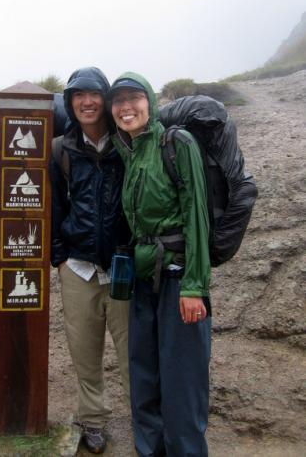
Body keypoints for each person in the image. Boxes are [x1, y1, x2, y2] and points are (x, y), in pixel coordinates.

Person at [109, 72, 212, 457]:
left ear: (149, 103)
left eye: (134, 98)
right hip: (141, 280)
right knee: (145, 377)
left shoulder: (176, 143)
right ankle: (148, 451)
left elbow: (196, 216)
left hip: (176, 278)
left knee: (182, 380)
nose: (125, 107)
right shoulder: (129, 151)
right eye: (118, 101)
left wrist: (194, 286)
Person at [49, 67, 130, 454]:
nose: (86, 101)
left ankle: (144, 418)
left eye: (94, 93)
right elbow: (53, 204)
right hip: (77, 267)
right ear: (69, 101)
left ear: (106, 98)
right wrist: (59, 258)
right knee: (84, 350)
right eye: (77, 95)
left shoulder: (127, 143)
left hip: (123, 267)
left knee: (133, 350)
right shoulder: (60, 150)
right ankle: (92, 420)